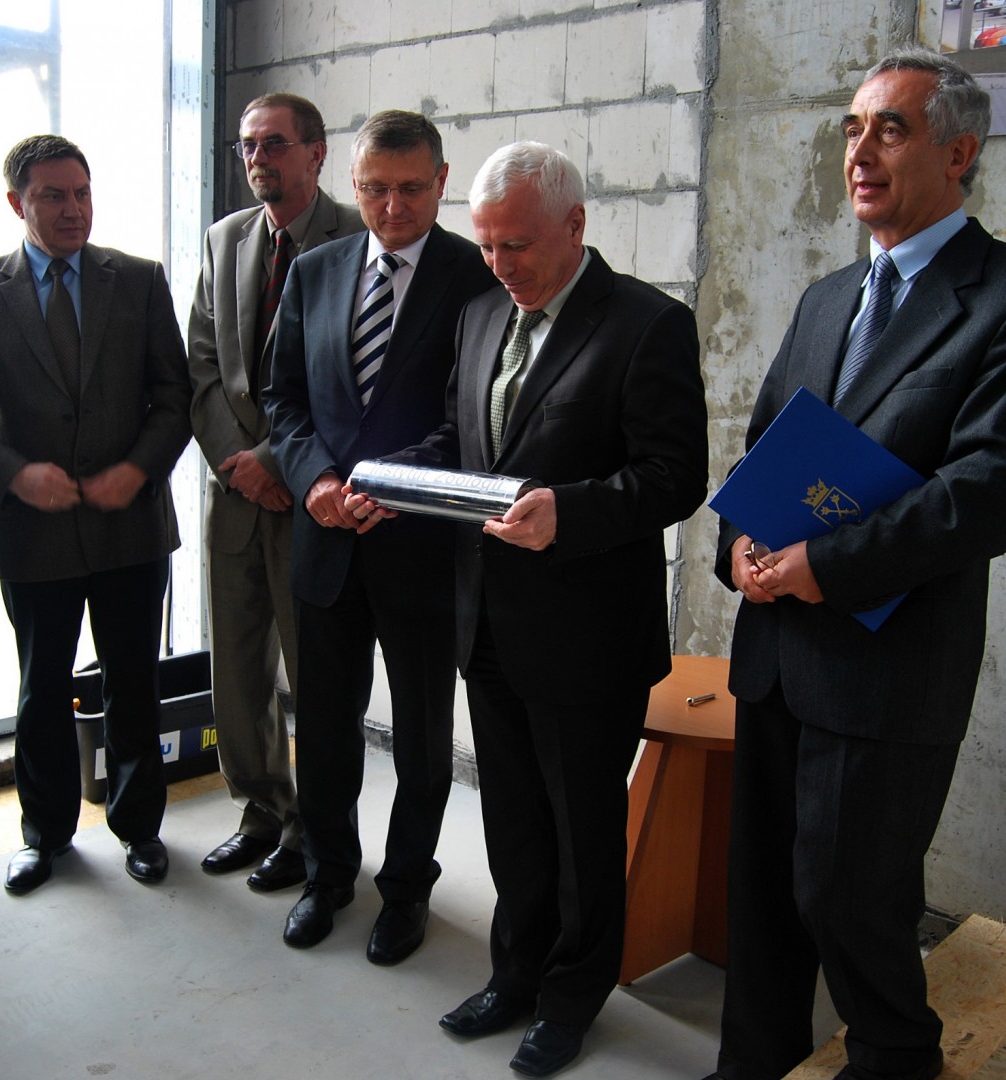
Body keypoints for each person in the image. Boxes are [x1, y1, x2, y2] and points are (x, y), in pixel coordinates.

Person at [704, 49, 1006, 1080]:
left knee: (849, 899)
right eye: (850, 129)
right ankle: (753, 1066)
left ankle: (894, 1059)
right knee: (765, 896)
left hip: (886, 660)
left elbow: (983, 493)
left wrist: (821, 564)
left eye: (890, 130)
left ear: (957, 152)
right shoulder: (828, 296)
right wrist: (734, 547)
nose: (858, 153)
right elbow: (764, 447)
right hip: (776, 647)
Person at [346, 141, 708, 1078]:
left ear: (575, 227)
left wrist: (571, 512)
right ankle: (514, 974)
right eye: (488, 246)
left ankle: (572, 996)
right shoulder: (477, 317)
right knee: (510, 819)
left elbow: (674, 476)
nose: (499, 266)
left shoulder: (645, 325)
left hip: (587, 633)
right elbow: (464, 438)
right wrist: (404, 480)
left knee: (583, 832)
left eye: (517, 247)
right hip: (487, 622)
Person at [0, 135, 192, 895]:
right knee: (42, 688)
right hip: (34, 532)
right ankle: (44, 835)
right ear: (17, 203)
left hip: (131, 526)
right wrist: (14, 475)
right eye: (53, 196)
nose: (73, 209)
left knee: (133, 682)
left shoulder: (137, 281)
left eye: (81, 193)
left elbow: (172, 397)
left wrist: (138, 468)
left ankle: (140, 828)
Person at [261, 109, 495, 963]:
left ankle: (405, 890)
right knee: (323, 727)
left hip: (421, 549)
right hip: (324, 543)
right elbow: (282, 400)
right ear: (350, 184)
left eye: (409, 189)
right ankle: (329, 877)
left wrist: (389, 486)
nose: (391, 207)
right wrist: (318, 481)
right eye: (373, 189)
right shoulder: (317, 271)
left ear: (440, 182)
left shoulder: (476, 276)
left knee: (425, 739)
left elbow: (472, 416)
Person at [188, 93, 364, 892]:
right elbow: (199, 368)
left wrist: (274, 461)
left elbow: (353, 384)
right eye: (246, 145)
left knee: (317, 682)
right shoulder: (224, 240)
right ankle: (260, 809)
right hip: (235, 499)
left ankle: (313, 832)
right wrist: (237, 462)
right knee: (239, 674)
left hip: (309, 500)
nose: (258, 158)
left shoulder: (357, 242)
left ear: (316, 154)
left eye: (275, 144)